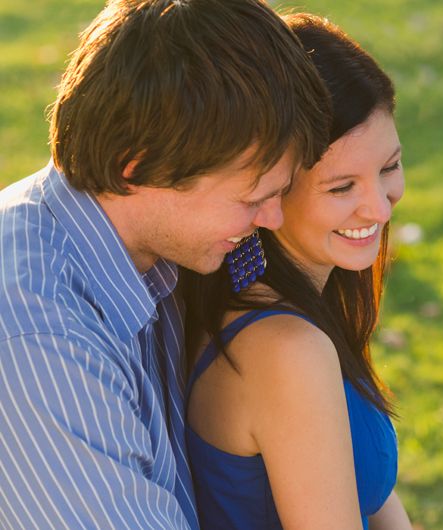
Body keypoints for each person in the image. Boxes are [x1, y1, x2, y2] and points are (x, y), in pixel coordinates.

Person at [0, 1, 330, 528]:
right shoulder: (37, 341)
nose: (272, 219)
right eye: (250, 199)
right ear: (137, 167)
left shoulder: (151, 248)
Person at [182, 13, 413, 529]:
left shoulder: (291, 298)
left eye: (389, 167)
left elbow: (375, 502)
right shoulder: (285, 350)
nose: (379, 208)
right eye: (341, 188)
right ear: (272, 189)